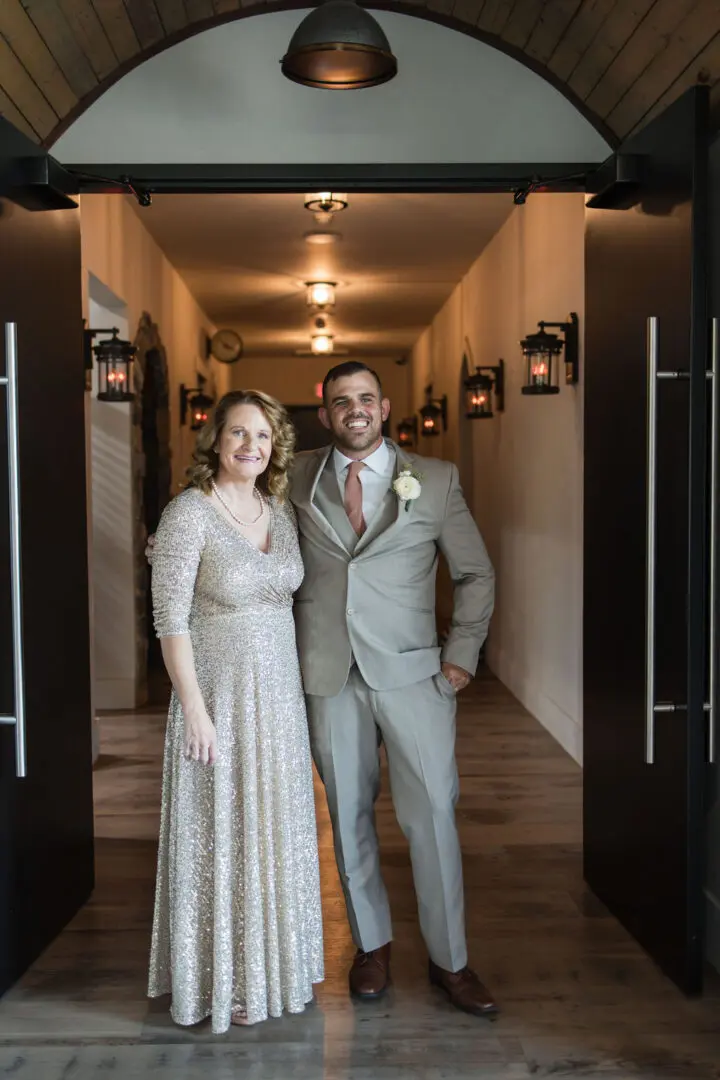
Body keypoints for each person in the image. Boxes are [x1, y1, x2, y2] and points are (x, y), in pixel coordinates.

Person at [291, 361, 497, 1016]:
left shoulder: (435, 480)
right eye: (340, 401)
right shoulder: (293, 477)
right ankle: (372, 947)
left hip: (414, 675)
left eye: (366, 399)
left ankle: (451, 961)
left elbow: (476, 574)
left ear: (384, 409)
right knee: (347, 813)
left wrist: (460, 657)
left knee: (432, 815)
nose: (354, 409)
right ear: (325, 415)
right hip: (328, 674)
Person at [147, 389, 323, 1034]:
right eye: (239, 434)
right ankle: (221, 978)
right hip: (216, 695)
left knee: (273, 826)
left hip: (278, 698)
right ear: (216, 441)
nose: (251, 446)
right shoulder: (189, 514)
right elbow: (169, 620)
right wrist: (193, 710)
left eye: (264, 436)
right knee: (221, 831)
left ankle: (272, 969)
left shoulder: (280, 509)